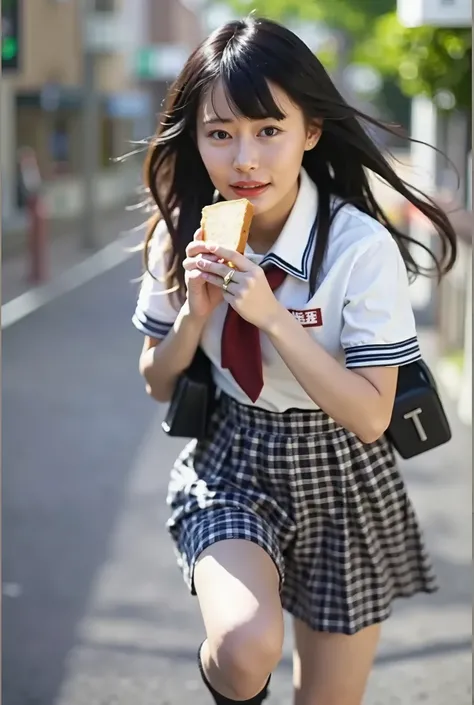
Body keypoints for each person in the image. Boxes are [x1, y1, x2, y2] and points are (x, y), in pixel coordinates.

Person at [132, 16, 456, 705]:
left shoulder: (358, 248)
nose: (244, 158)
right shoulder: (182, 233)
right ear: (196, 137)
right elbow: (158, 380)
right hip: (236, 457)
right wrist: (196, 312)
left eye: (268, 130)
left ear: (310, 130)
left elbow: (371, 417)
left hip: (346, 471)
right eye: (220, 133)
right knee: (245, 645)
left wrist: (271, 316)